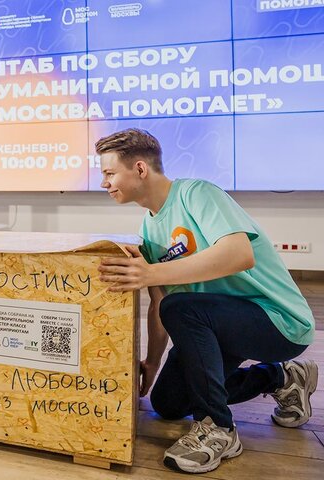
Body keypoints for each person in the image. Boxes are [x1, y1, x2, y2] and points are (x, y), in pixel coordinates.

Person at [95, 128, 317, 474]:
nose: (104, 183)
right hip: (219, 324)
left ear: (139, 168)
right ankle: (280, 377)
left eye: (109, 173)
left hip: (278, 322)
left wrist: (150, 273)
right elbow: (159, 303)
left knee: (181, 308)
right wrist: (152, 362)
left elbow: (239, 254)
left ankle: (218, 429)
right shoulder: (150, 230)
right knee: (168, 402)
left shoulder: (196, 193)